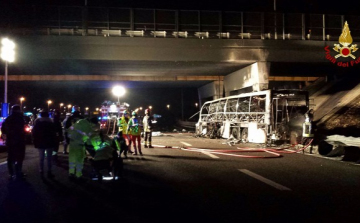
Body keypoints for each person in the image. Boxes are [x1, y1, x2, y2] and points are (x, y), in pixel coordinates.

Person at [1, 105, 26, 180]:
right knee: (20, 156)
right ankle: (18, 171)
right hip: (19, 139)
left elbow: (3, 128)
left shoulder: (9, 118)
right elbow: (22, 128)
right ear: (18, 110)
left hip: (11, 139)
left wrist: (6, 135)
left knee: (11, 156)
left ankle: (11, 173)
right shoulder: (20, 118)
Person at [32, 111, 57, 178]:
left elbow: (34, 133)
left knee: (41, 157)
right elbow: (54, 133)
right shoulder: (51, 123)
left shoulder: (37, 123)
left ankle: (41, 170)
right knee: (49, 157)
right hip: (49, 142)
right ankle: (49, 171)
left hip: (40, 142)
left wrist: (35, 141)